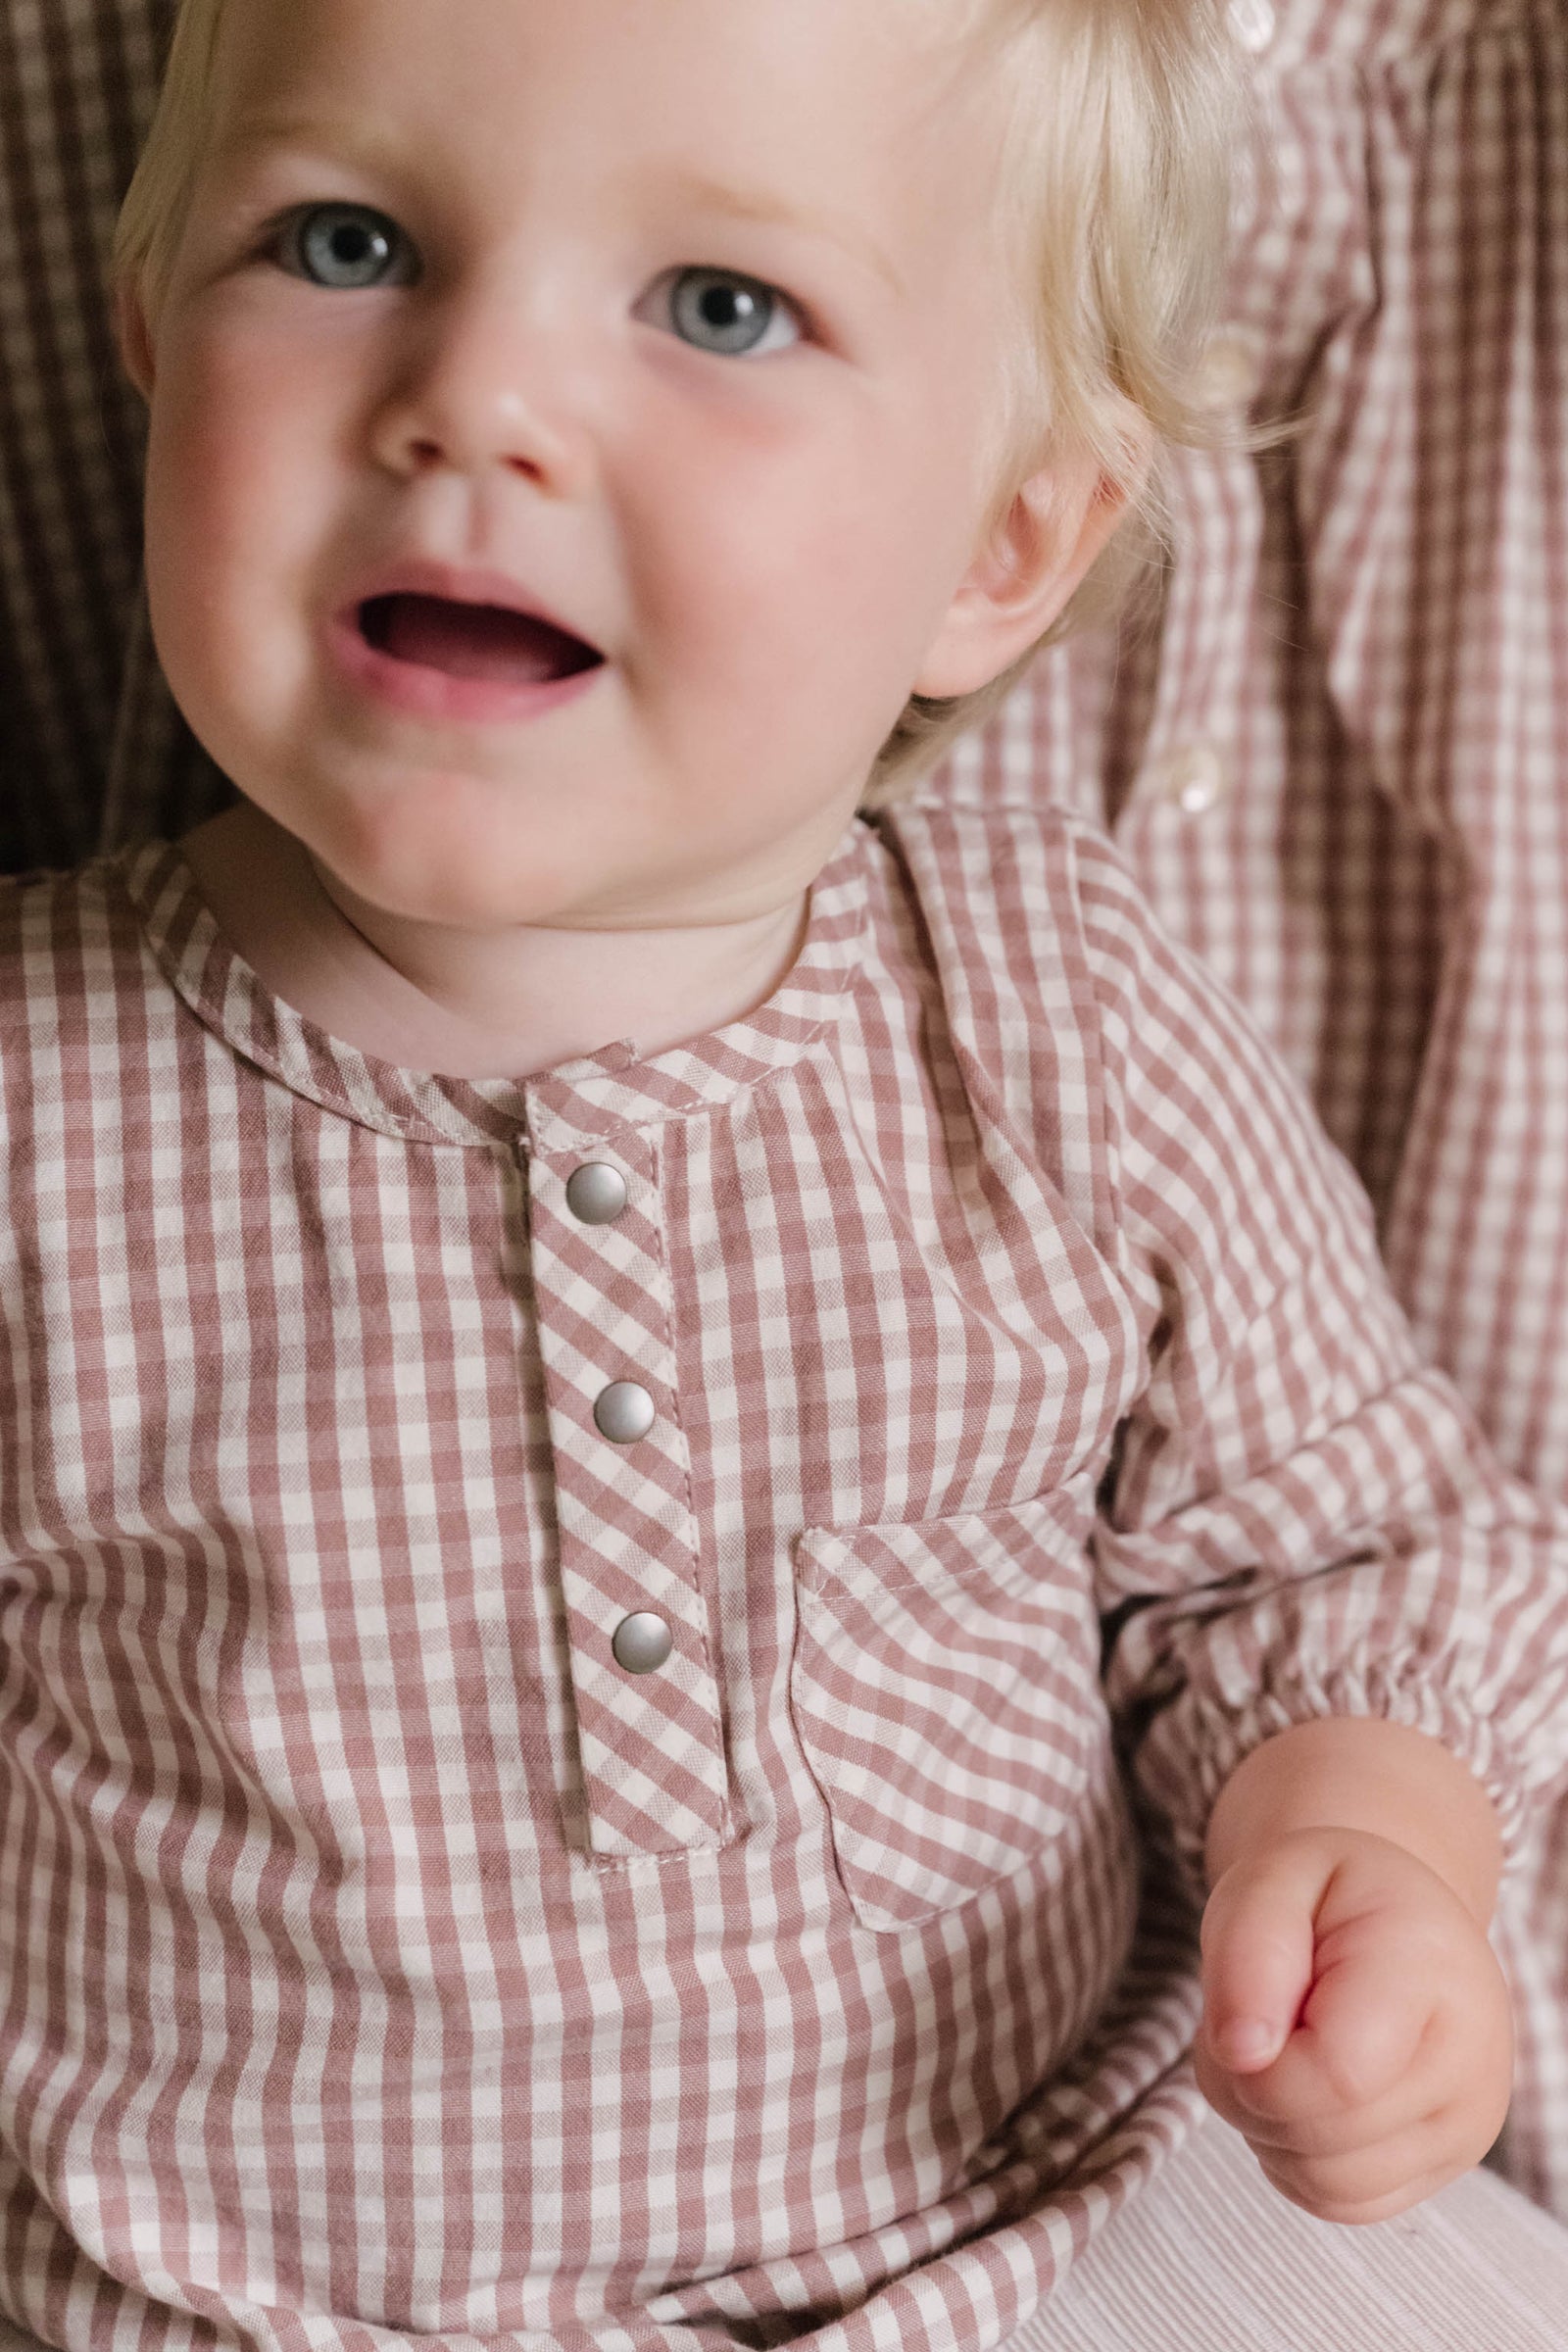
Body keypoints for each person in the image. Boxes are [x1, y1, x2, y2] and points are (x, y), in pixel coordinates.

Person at [5, 4, 1568, 2351]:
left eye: (719, 308)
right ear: (146, 343)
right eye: (347, 241)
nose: (478, 402)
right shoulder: (42, 1099)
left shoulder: (1057, 1013)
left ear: (1004, 544)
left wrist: (1360, 1845)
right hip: (227, 2300)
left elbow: (1325, 1547)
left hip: (1048, 2222)